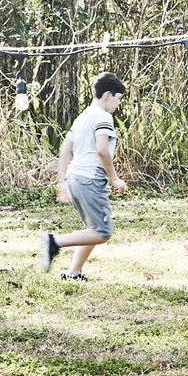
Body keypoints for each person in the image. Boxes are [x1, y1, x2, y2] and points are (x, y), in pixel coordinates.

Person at [38, 72, 128, 281]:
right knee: (102, 232)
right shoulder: (104, 117)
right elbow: (102, 150)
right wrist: (114, 179)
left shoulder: (83, 116)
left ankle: (74, 272)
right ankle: (54, 242)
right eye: (118, 98)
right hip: (90, 180)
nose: (118, 103)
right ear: (107, 95)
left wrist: (62, 183)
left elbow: (64, 149)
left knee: (93, 229)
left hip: (74, 178)